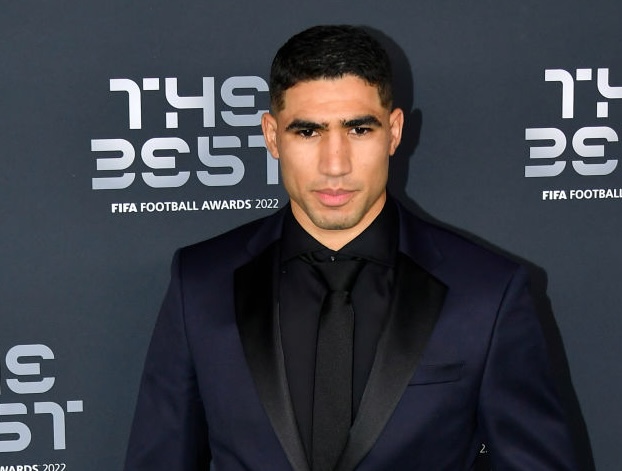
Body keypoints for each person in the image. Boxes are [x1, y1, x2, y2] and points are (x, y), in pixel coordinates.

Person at [124, 25, 578, 470]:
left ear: (394, 132)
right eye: (308, 132)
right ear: (272, 135)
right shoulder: (200, 284)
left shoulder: (486, 294)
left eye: (359, 130)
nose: (335, 165)